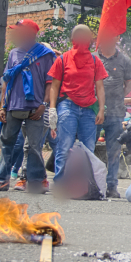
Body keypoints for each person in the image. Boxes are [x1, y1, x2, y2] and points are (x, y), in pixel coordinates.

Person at [0, 19, 55, 193]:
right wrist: (3, 107)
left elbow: (49, 83)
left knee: (35, 146)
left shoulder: (45, 55)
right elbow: (6, 81)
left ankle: (36, 180)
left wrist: (44, 105)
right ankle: (2, 180)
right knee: (7, 143)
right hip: (13, 106)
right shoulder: (13, 53)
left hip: (36, 107)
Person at [48, 25, 107, 186]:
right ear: (73, 38)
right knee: (64, 145)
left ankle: (85, 184)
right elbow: (54, 85)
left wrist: (101, 109)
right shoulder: (62, 59)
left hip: (89, 109)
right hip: (68, 105)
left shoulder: (95, 60)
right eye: (78, 35)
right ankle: (60, 183)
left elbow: (100, 87)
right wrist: (52, 108)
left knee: (88, 149)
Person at [95, 35, 131, 198]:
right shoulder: (93, 57)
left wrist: (120, 95)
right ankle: (92, 182)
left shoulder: (124, 60)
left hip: (116, 112)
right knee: (89, 147)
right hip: (95, 111)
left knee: (114, 150)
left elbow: (130, 82)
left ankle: (112, 185)